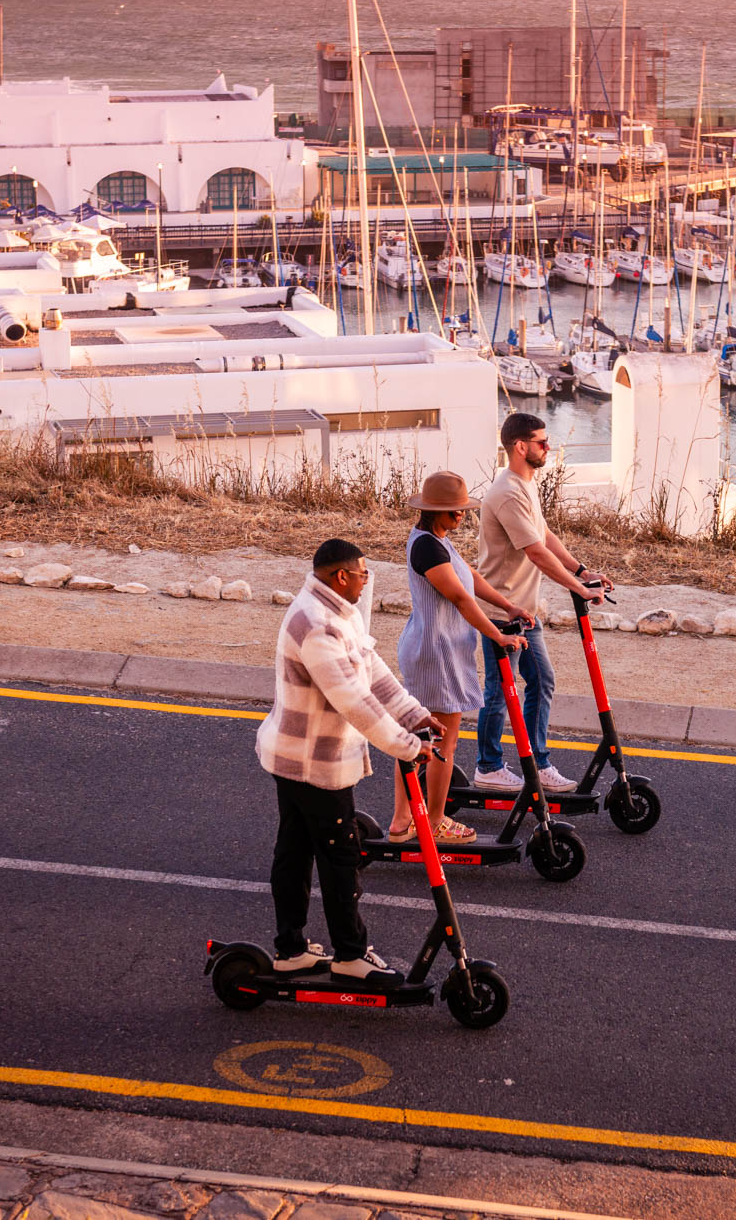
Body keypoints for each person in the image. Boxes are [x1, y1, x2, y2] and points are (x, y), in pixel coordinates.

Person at [256, 538, 454, 982]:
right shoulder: (316, 625)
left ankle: (291, 950)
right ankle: (350, 956)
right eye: (363, 574)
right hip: (313, 763)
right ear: (340, 576)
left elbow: (373, 670)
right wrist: (406, 744)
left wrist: (415, 714)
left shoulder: (334, 612)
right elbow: (354, 701)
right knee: (339, 857)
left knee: (295, 851)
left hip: (300, 756)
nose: (367, 581)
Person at [390, 471, 532, 843]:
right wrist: (498, 634)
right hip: (436, 654)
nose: (461, 517)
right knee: (441, 742)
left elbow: (472, 579)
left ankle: (403, 821)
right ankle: (433, 821)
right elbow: (460, 597)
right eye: (455, 512)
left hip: (436, 649)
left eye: (463, 511)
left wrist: (508, 606)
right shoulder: (427, 548)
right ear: (435, 511)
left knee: (419, 737)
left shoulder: (438, 541)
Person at [474, 413, 607, 793]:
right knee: (499, 692)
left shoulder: (525, 485)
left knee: (541, 680)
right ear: (521, 447)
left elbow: (544, 535)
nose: (548, 448)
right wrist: (580, 591)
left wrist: (581, 571)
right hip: (502, 613)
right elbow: (534, 552)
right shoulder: (507, 493)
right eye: (542, 442)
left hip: (525, 611)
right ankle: (488, 766)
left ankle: (538, 762)